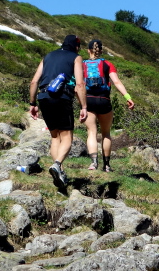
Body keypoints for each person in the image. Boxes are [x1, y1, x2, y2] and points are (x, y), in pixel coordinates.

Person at [29, 34, 87, 189]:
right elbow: (80, 84)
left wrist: (32, 103)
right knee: (67, 136)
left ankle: (59, 172)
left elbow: (34, 81)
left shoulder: (48, 56)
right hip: (62, 97)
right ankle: (57, 164)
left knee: (55, 136)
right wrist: (84, 107)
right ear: (76, 46)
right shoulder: (76, 58)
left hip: (43, 97)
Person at [82, 39, 134, 172]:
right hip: (104, 100)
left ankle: (93, 163)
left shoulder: (82, 65)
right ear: (101, 51)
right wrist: (127, 97)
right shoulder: (107, 64)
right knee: (106, 133)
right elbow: (116, 82)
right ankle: (106, 165)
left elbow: (78, 84)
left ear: (88, 50)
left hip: (88, 100)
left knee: (91, 132)